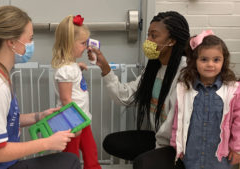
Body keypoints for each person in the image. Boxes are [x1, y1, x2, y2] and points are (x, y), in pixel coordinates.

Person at [0, 6, 80, 169]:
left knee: (68, 160)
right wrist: (46, 143)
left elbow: (4, 120)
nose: (31, 44)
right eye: (30, 38)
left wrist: (38, 116)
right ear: (12, 42)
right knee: (70, 162)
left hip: (0, 164)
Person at [88, 11, 190, 168]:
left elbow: (173, 126)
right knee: (112, 142)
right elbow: (125, 97)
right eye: (148, 35)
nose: (148, 40)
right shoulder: (154, 67)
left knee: (143, 163)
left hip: (177, 145)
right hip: (159, 138)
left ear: (171, 41)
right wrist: (105, 67)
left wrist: (156, 157)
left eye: (154, 36)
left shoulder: (185, 73)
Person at [170, 30, 240, 169]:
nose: (210, 64)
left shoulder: (233, 91)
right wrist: (176, 145)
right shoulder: (184, 89)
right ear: (194, 61)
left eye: (216, 60)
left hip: (219, 159)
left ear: (223, 61)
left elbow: (238, 122)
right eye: (204, 59)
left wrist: (237, 148)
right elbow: (178, 119)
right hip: (192, 156)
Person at [51, 15, 102, 169]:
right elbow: (66, 99)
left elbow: (71, 83)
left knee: (90, 151)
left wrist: (77, 67)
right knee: (70, 156)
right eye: (82, 43)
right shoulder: (65, 70)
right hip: (71, 122)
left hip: (82, 119)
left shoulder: (70, 66)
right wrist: (75, 123)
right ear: (68, 44)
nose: (86, 47)